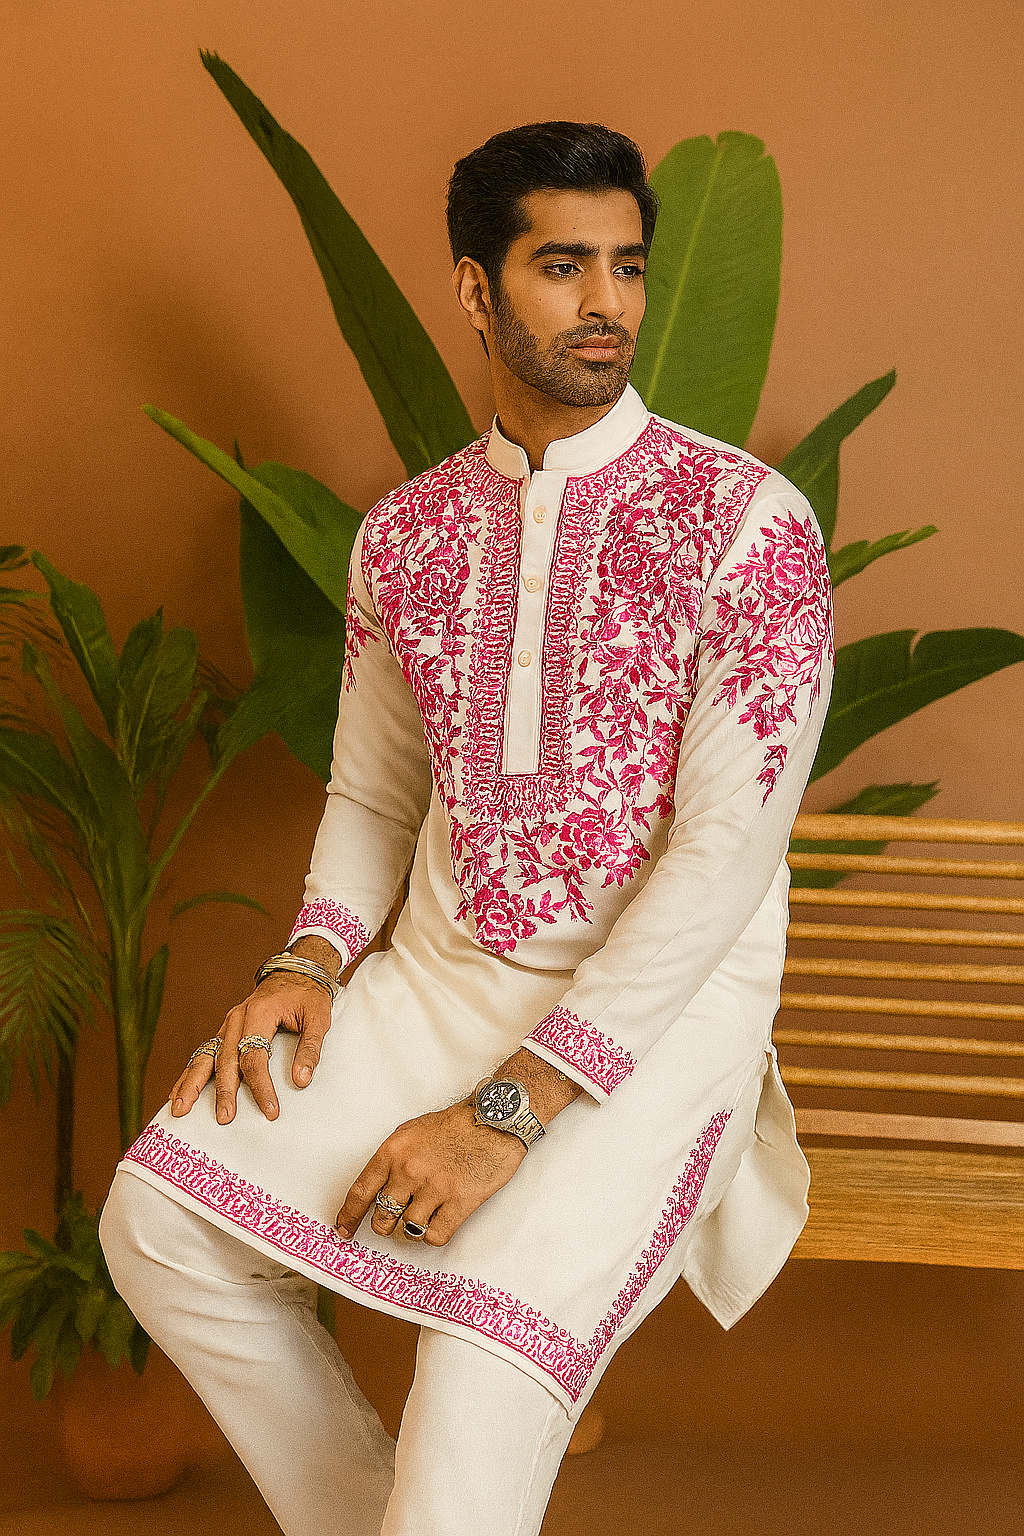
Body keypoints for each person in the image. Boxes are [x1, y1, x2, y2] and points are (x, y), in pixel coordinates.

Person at [100, 120, 833, 1536]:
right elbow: (374, 796)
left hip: (648, 1035)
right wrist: (309, 963)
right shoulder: (408, 537)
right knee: (157, 1222)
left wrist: (510, 1111)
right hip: (435, 990)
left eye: (626, 265)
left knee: (476, 1407)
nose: (608, 301)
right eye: (563, 266)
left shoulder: (750, 526)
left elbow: (723, 861)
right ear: (476, 293)